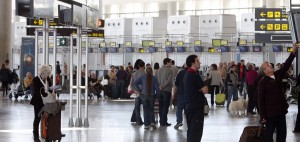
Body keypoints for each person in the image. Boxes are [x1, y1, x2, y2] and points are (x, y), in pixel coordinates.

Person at [258, 45, 298, 142]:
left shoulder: (277, 75)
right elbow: (260, 100)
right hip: (270, 113)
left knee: (282, 134)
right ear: (265, 71)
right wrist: (262, 116)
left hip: (280, 111)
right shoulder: (262, 82)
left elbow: (286, 65)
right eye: (268, 65)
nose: (270, 65)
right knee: (269, 134)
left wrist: (293, 53)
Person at [183, 55, 208, 142]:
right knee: (196, 133)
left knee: (191, 131)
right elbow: (205, 90)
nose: (200, 62)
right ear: (193, 63)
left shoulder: (186, 74)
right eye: (198, 61)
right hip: (196, 108)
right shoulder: (194, 75)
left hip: (189, 107)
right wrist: (201, 88)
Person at [30, 65, 52, 142]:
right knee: (37, 118)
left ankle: (46, 135)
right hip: (38, 102)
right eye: (47, 74)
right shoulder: (36, 80)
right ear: (42, 73)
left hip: (47, 102)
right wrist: (43, 94)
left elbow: (50, 89)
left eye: (48, 74)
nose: (48, 76)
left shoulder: (48, 79)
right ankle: (35, 136)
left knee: (48, 119)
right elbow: (34, 92)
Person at [155, 58, 173, 126]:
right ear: (167, 62)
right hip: (166, 91)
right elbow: (168, 81)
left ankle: (161, 121)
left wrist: (159, 86)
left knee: (160, 106)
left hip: (159, 91)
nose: (171, 64)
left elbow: (155, 80)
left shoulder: (158, 70)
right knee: (165, 107)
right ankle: (164, 122)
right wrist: (162, 86)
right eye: (170, 62)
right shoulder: (170, 70)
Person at [130, 60, 146, 125]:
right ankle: (147, 121)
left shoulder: (133, 74)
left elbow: (131, 84)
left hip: (136, 92)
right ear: (144, 66)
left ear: (138, 66)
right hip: (144, 92)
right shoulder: (145, 73)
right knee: (145, 107)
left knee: (137, 107)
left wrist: (135, 90)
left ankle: (138, 121)